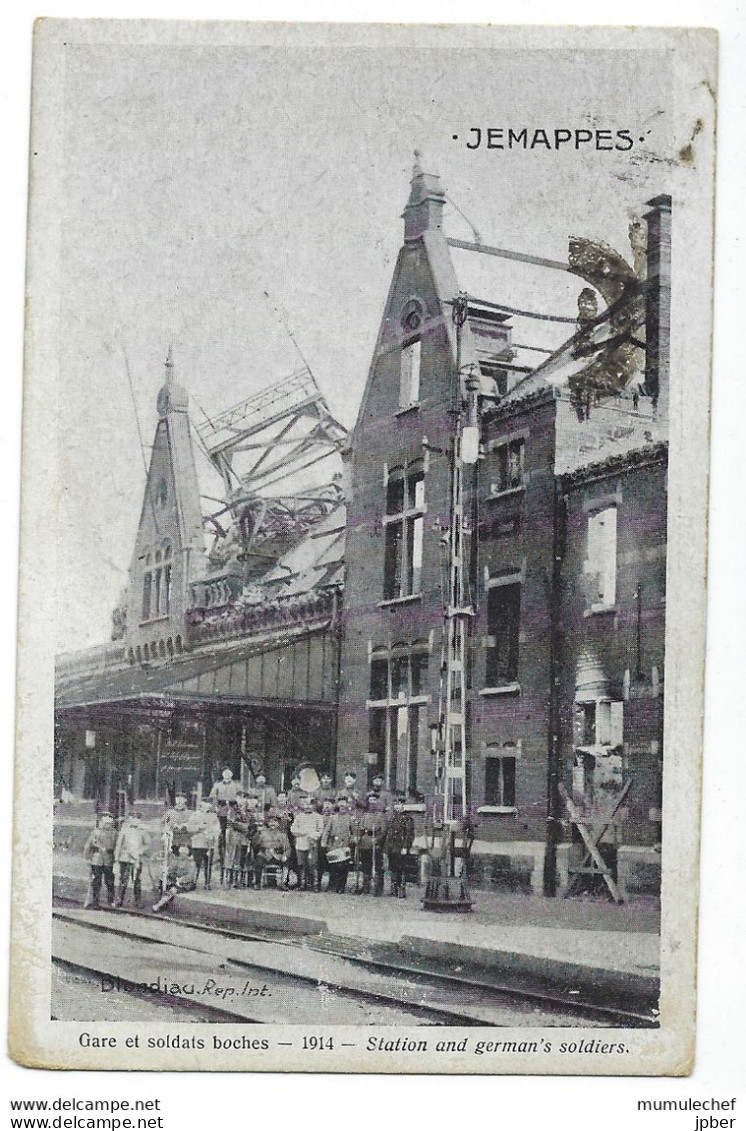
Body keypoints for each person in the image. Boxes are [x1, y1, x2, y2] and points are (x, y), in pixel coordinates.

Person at [114, 811, 150, 908]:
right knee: (123, 879)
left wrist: (140, 851)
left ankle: (138, 901)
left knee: (137, 880)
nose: (134, 820)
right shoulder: (124, 830)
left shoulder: (143, 831)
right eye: (132, 818)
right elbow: (119, 844)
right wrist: (116, 857)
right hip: (125, 858)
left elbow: (147, 844)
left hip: (137, 859)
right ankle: (119, 900)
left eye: (137, 818)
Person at [82, 812, 117, 909]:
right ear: (102, 822)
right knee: (96, 882)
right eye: (105, 823)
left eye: (109, 823)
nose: (107, 825)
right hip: (96, 859)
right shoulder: (95, 832)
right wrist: (87, 858)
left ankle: (110, 900)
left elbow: (117, 847)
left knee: (109, 881)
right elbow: (88, 845)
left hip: (109, 860)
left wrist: (116, 859)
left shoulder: (114, 833)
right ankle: (95, 901)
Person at [384, 794, 416, 898]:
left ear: (403, 806)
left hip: (401, 847)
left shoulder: (407, 819)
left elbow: (409, 834)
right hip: (392, 848)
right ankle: (393, 889)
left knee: (401, 868)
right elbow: (389, 834)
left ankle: (401, 890)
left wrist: (406, 847)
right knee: (392, 868)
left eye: (400, 804)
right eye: (396, 804)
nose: (397, 806)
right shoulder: (392, 818)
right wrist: (387, 848)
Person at [322, 799, 355, 893]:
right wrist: (324, 841)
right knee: (333, 866)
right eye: (341, 807)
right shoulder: (333, 818)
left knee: (343, 867)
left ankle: (341, 886)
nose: (342, 808)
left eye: (344, 807)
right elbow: (327, 831)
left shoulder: (350, 818)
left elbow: (354, 832)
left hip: (345, 845)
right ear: (338, 807)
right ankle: (332, 885)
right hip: (333, 845)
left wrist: (353, 838)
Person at [291, 797, 324, 891]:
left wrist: (314, 836)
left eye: (310, 804)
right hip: (301, 844)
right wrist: (303, 832)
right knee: (301, 864)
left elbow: (320, 830)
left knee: (313, 864)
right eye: (306, 804)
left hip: (312, 844)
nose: (308, 807)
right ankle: (302, 884)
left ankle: (315, 885)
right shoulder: (299, 817)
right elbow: (293, 829)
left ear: (313, 806)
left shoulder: (318, 817)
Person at [358, 796, 388, 896]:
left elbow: (384, 832)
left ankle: (378, 889)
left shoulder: (381, 815)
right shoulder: (365, 815)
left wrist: (378, 840)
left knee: (378, 867)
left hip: (376, 843)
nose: (372, 804)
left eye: (374, 801)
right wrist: (359, 838)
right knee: (366, 866)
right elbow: (361, 829)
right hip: (365, 843)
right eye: (370, 801)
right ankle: (366, 887)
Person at [152, 845, 197, 912]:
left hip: (187, 883)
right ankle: (164, 902)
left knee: (173, 889)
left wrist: (180, 880)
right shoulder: (178, 861)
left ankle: (158, 905)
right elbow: (172, 869)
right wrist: (168, 873)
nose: (181, 855)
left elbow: (190, 876)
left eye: (183, 854)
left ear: (186, 854)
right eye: (181, 853)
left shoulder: (191, 863)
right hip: (177, 880)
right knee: (163, 883)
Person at [208, 768, 240, 861]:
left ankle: (231, 856)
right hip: (221, 811)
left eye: (228, 775)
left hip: (232, 811)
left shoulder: (236, 785)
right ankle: (219, 855)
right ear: (222, 776)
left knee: (231, 833)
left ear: (231, 776)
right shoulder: (217, 785)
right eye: (225, 775)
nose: (227, 777)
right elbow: (213, 797)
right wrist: (215, 807)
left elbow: (240, 797)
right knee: (220, 832)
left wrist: (237, 809)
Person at [252, 814, 291, 888]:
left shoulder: (282, 834)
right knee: (258, 861)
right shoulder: (263, 833)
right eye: (271, 822)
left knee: (286, 862)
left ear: (278, 823)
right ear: (268, 823)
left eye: (275, 822)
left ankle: (284, 883)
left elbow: (287, 848)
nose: (273, 823)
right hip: (265, 854)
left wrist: (285, 855)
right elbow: (255, 845)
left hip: (277, 854)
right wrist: (257, 834)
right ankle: (257, 883)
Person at [188, 800, 219, 889]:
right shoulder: (195, 815)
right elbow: (189, 828)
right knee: (196, 863)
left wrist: (213, 836)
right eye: (204, 804)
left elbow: (217, 829)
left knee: (208, 864)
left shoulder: (213, 816)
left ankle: (207, 883)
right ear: (201, 804)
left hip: (209, 844)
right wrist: (199, 827)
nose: (206, 807)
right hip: (198, 843)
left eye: (208, 805)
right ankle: (193, 882)